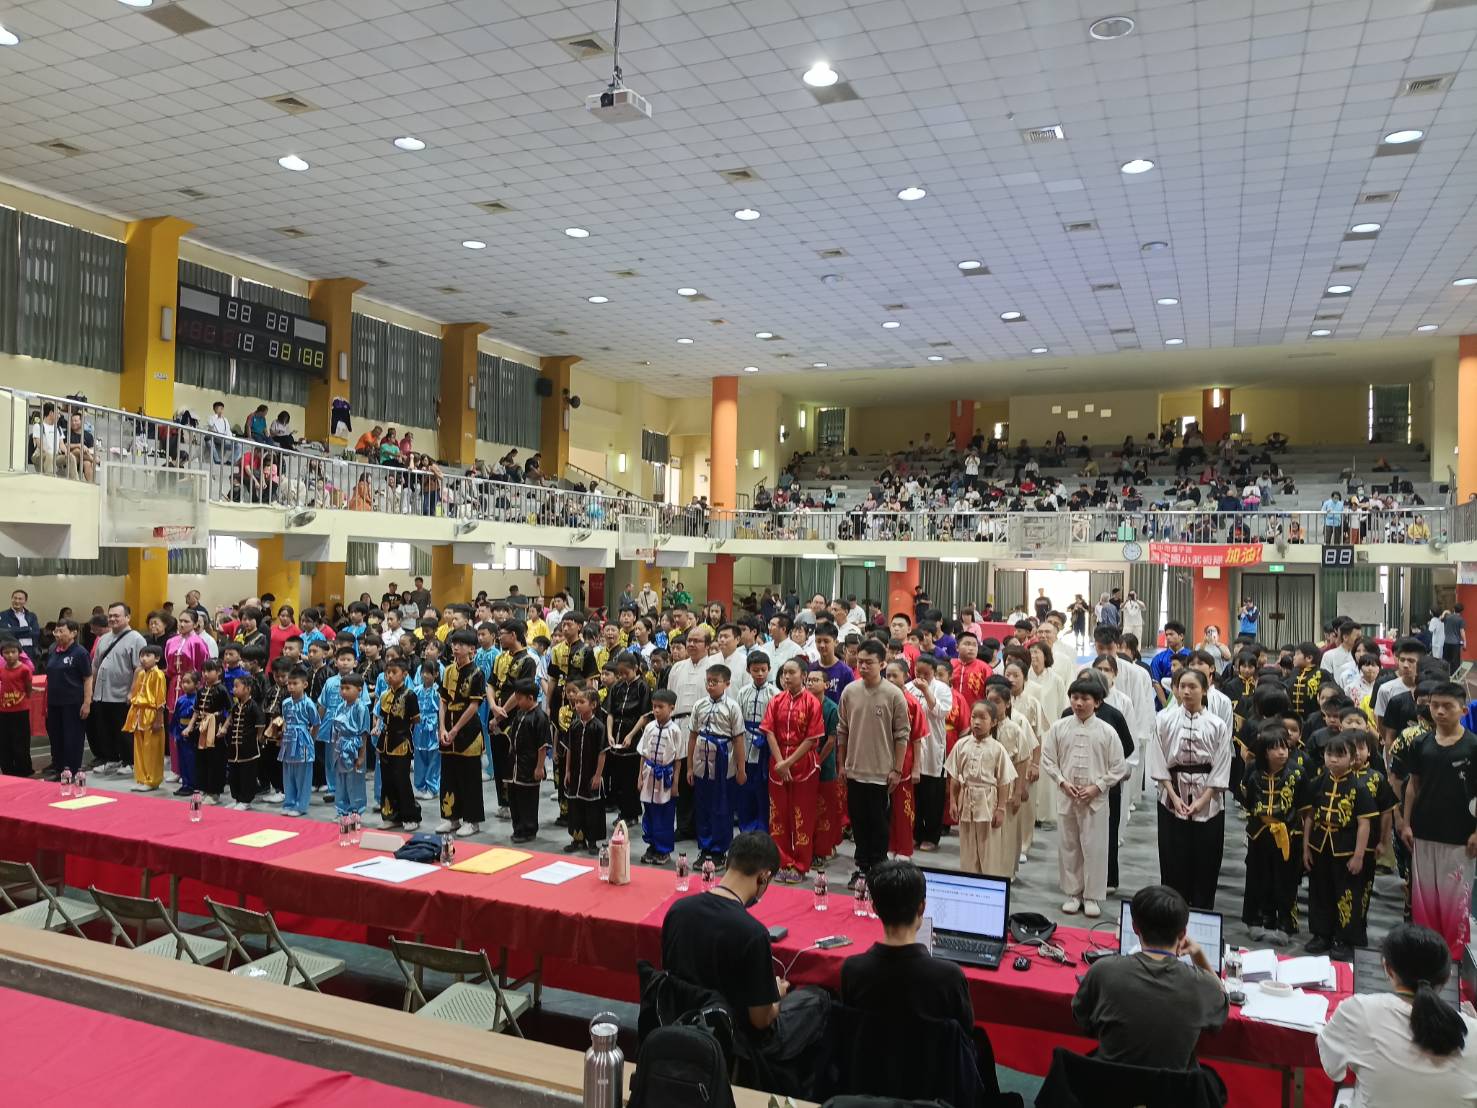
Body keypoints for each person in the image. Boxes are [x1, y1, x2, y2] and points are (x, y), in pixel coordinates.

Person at [1318, 922, 1477, 1107]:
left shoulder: (1358, 1011)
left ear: (1388, 968)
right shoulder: (1472, 1029)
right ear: (1448, 976)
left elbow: (1333, 1069)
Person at [1072, 884, 1229, 1070]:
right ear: (1183, 934)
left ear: (1134, 927)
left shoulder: (1103, 971)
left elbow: (1082, 1018)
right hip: (1172, 1088)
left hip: (1110, 1085)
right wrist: (1200, 956)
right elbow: (1222, 1003)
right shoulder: (1203, 984)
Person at [660, 831, 786, 1035]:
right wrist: (777, 996)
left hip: (675, 1023)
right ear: (764, 876)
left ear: (728, 862)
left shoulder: (678, 911)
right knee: (814, 1000)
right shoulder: (753, 933)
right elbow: (760, 1020)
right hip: (730, 1038)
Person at [840, 859, 974, 1034]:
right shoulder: (950, 976)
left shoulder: (852, 969)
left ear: (875, 909)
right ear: (922, 908)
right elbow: (966, 1031)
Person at [1395, 681, 1477, 959]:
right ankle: (1427, 953)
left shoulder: (1473, 746)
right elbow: (1412, 785)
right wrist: (1406, 823)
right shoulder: (1420, 743)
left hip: (1460, 835)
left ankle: (1453, 959)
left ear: (1463, 710)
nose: (1440, 711)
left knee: (1455, 900)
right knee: (1424, 898)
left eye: (1447, 706)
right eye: (1435, 706)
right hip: (1423, 830)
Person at [1147, 668, 1233, 910]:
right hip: (1171, 797)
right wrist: (1173, 797)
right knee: (1172, 858)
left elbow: (1222, 764)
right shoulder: (1164, 720)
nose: (1186, 691)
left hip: (1209, 799)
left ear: (1204, 690)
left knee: (1206, 859)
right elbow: (1158, 759)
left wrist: (1203, 800)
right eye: (1182, 686)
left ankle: (1202, 911)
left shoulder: (1217, 724)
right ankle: (1172, 912)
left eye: (1192, 686)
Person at [1040, 677, 1126, 918]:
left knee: (1095, 848)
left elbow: (1119, 766)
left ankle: (1092, 896)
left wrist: (1098, 786)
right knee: (1069, 846)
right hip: (1067, 796)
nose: (1078, 703)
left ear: (1097, 702)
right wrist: (1062, 782)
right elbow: (1048, 759)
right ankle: (1073, 893)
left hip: (1095, 800)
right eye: (1075, 698)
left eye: (1085, 699)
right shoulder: (1059, 727)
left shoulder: (1107, 732)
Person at [838, 639, 911, 887]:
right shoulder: (850, 692)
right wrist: (842, 765)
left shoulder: (894, 694)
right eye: (860, 662)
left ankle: (879, 869)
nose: (863, 667)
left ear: (882, 663)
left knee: (879, 825)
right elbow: (842, 730)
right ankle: (861, 868)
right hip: (855, 770)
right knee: (859, 823)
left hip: (882, 773)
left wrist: (897, 769)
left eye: (869, 662)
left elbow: (902, 735)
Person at [1301, 734, 1377, 960]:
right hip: (1319, 845)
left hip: (1346, 849)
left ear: (1353, 759)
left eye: (1340, 755)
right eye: (1329, 754)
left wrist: (1359, 856)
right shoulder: (1319, 781)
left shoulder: (1359, 787)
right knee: (1319, 890)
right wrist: (1306, 847)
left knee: (1347, 894)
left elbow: (1364, 824)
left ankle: (1344, 939)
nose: (1333, 759)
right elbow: (1309, 816)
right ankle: (1321, 934)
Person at [1237, 723, 1302, 944]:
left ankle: (1285, 925)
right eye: (1276, 748)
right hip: (1259, 832)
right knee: (1256, 877)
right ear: (1265, 751)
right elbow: (1247, 799)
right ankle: (1254, 921)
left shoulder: (1297, 773)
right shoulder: (1252, 771)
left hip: (1287, 834)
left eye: (1285, 747)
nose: (1282, 752)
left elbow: (1303, 807)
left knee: (1286, 880)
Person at [760, 657, 822, 882]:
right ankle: (782, 861)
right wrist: (780, 762)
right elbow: (769, 732)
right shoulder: (776, 700)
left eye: (791, 672)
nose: (786, 677)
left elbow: (812, 739)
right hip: (778, 763)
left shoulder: (812, 702)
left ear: (803, 676)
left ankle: (800, 865)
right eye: (784, 672)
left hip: (804, 764)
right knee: (778, 814)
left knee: (802, 815)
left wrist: (788, 763)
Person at [945, 699, 1015, 876]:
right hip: (966, 800)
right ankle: (969, 882)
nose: (976, 722)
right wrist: (953, 802)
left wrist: (1001, 809)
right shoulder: (961, 745)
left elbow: (1004, 781)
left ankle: (990, 883)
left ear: (993, 722)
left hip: (988, 802)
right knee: (968, 848)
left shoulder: (998, 749)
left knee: (989, 849)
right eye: (973, 717)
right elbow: (954, 777)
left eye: (982, 718)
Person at [688, 662, 747, 866]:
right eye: (708, 681)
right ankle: (705, 847)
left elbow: (738, 739)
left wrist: (741, 768)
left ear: (727, 683)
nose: (710, 685)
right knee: (702, 805)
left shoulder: (732, 707)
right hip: (701, 758)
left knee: (722, 806)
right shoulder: (699, 705)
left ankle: (719, 850)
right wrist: (689, 767)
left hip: (723, 759)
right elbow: (692, 736)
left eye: (715, 682)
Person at [438, 629, 487, 837]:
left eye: (461, 644)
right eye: (454, 643)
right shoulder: (448, 670)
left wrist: (456, 729)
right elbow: (443, 701)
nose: (456, 647)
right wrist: (442, 728)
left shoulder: (477, 673)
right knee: (449, 776)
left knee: (469, 778)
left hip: (468, 731)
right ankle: (452, 818)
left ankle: (472, 820)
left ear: (471, 649)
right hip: (448, 728)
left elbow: (474, 705)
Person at [89, 602, 146, 777]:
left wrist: (132, 692)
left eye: (117, 616)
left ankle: (130, 761)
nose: (113, 619)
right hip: (101, 693)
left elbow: (139, 668)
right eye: (110, 615)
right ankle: (111, 759)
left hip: (121, 694)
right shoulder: (104, 638)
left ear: (128, 617)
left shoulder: (136, 639)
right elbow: (95, 665)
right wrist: (92, 689)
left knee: (124, 730)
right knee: (104, 729)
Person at [373, 656, 420, 830]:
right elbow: (382, 717)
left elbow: (415, 720)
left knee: (402, 781)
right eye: (388, 672)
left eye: (394, 672)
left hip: (401, 743)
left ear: (404, 674)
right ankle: (391, 815)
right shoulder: (384, 695)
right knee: (387, 781)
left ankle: (411, 816)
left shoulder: (410, 695)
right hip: (384, 742)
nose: (390, 676)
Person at [560, 683, 605, 855]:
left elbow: (602, 753)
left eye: (581, 702)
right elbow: (570, 749)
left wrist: (598, 775)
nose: (577, 705)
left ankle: (592, 841)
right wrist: (567, 771)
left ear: (593, 705)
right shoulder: (574, 726)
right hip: (575, 773)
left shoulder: (598, 727)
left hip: (590, 774)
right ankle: (577, 839)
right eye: (576, 702)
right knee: (575, 807)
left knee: (592, 807)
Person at [505, 678, 551, 844]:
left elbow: (542, 746)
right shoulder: (520, 714)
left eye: (519, 699)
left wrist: (539, 767)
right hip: (515, 765)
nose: (517, 702)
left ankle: (529, 830)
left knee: (528, 800)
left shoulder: (540, 717)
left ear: (530, 698)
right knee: (515, 799)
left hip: (529, 765)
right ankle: (518, 828)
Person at [44, 618, 92, 778]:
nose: (57, 634)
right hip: (54, 702)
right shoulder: (53, 651)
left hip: (73, 702)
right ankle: (59, 768)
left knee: (72, 738)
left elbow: (87, 678)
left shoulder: (80, 653)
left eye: (61, 631)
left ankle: (71, 769)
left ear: (73, 633)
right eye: (55, 631)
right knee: (56, 736)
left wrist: (87, 702)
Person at [124, 644, 167, 791]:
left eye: (148, 656)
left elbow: (160, 699)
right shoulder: (141, 674)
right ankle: (141, 778)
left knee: (151, 748)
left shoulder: (159, 675)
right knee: (139, 747)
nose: (143, 659)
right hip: (139, 713)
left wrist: (159, 719)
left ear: (157, 658)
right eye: (142, 655)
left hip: (151, 713)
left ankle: (152, 780)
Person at [224, 673, 263, 810]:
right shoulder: (236, 706)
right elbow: (230, 719)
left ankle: (246, 800)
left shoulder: (254, 706)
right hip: (234, 748)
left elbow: (260, 723)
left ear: (247, 689)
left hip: (248, 749)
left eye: (236, 686)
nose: (233, 689)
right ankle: (237, 798)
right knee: (234, 775)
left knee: (247, 775)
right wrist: (224, 728)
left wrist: (258, 738)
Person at [0, 639, 33, 777]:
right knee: (5, 742)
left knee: (20, 743)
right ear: (2, 654)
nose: (10, 655)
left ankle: (24, 771)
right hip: (4, 711)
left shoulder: (24, 669)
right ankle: (8, 771)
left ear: (19, 653)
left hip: (20, 711)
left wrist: (23, 698)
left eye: (13, 652)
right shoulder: (2, 669)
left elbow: (28, 688)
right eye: (6, 652)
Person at [0, 589, 42, 666]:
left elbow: (36, 633)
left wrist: (14, 631)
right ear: (11, 599)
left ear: (25, 601)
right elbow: (4, 632)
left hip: (31, 650)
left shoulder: (31, 616)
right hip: (12, 651)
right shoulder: (3, 615)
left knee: (31, 671)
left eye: (20, 599)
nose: (17, 601)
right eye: (15, 598)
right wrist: (27, 629)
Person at [1442, 603, 1466, 671]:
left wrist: (1445, 612)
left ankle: (1444, 675)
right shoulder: (1460, 619)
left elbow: (1441, 619)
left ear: (1453, 609)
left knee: (1445, 661)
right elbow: (1462, 632)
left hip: (1446, 642)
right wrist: (1465, 642)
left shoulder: (1447, 617)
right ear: (1462, 611)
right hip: (1455, 643)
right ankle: (1454, 676)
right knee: (1455, 662)